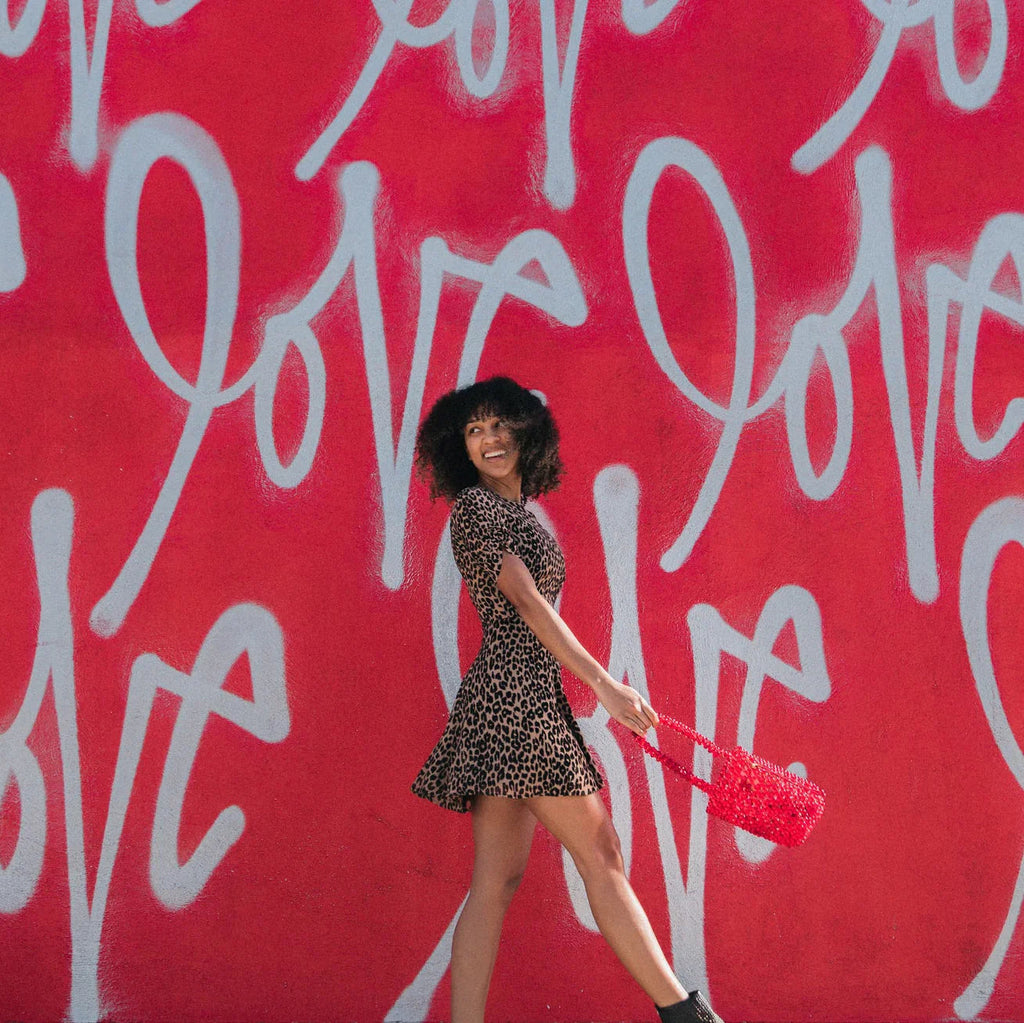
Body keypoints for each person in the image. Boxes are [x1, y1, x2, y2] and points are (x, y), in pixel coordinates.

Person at [411, 377, 724, 1023]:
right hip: (517, 701)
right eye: (474, 431)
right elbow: (525, 601)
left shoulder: (516, 513)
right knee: (600, 853)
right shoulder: (476, 510)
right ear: (459, 450)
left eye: (499, 425)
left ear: (526, 430)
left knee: (496, 884)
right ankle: (683, 1013)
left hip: (511, 700)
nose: (489, 438)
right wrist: (605, 685)